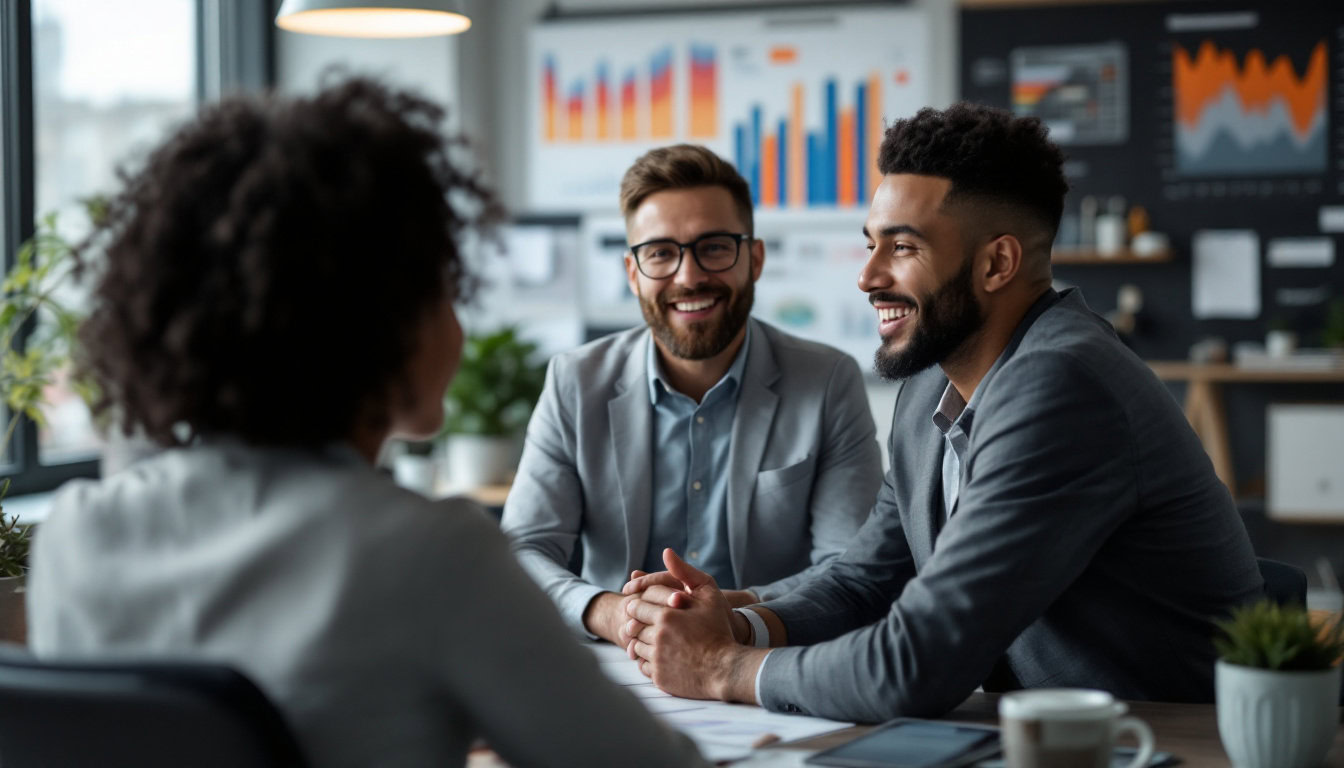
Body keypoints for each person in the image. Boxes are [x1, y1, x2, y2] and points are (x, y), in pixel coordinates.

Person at [26, 79, 708, 768]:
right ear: (380, 320)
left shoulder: (73, 539)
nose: (458, 323)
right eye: (444, 287)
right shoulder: (433, 552)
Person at [619, 103, 1263, 723]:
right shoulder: (932, 386)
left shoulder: (1062, 383)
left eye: (902, 247)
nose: (868, 276)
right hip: (1036, 735)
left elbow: (915, 664)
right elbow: (865, 582)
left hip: (1164, 742)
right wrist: (734, 620)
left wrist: (720, 668)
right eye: (871, 244)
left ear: (996, 263)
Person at [500, 144, 882, 645]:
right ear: (633, 274)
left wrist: (728, 611)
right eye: (660, 252)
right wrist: (614, 614)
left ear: (755, 259)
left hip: (766, 659)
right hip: (617, 666)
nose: (688, 275)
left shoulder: (828, 381)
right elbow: (523, 550)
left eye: (715, 247)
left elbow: (850, 567)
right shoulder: (574, 383)